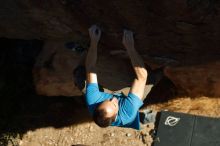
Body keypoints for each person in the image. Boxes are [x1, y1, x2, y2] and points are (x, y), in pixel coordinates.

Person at [82, 25, 160, 130]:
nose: (114, 99)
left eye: (108, 100)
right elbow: (141, 76)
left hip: (115, 106)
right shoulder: (127, 112)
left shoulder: (93, 100)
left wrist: (94, 42)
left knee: (80, 75)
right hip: (130, 114)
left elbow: (90, 67)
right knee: (151, 78)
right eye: (114, 104)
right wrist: (130, 47)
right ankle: (144, 117)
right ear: (115, 117)